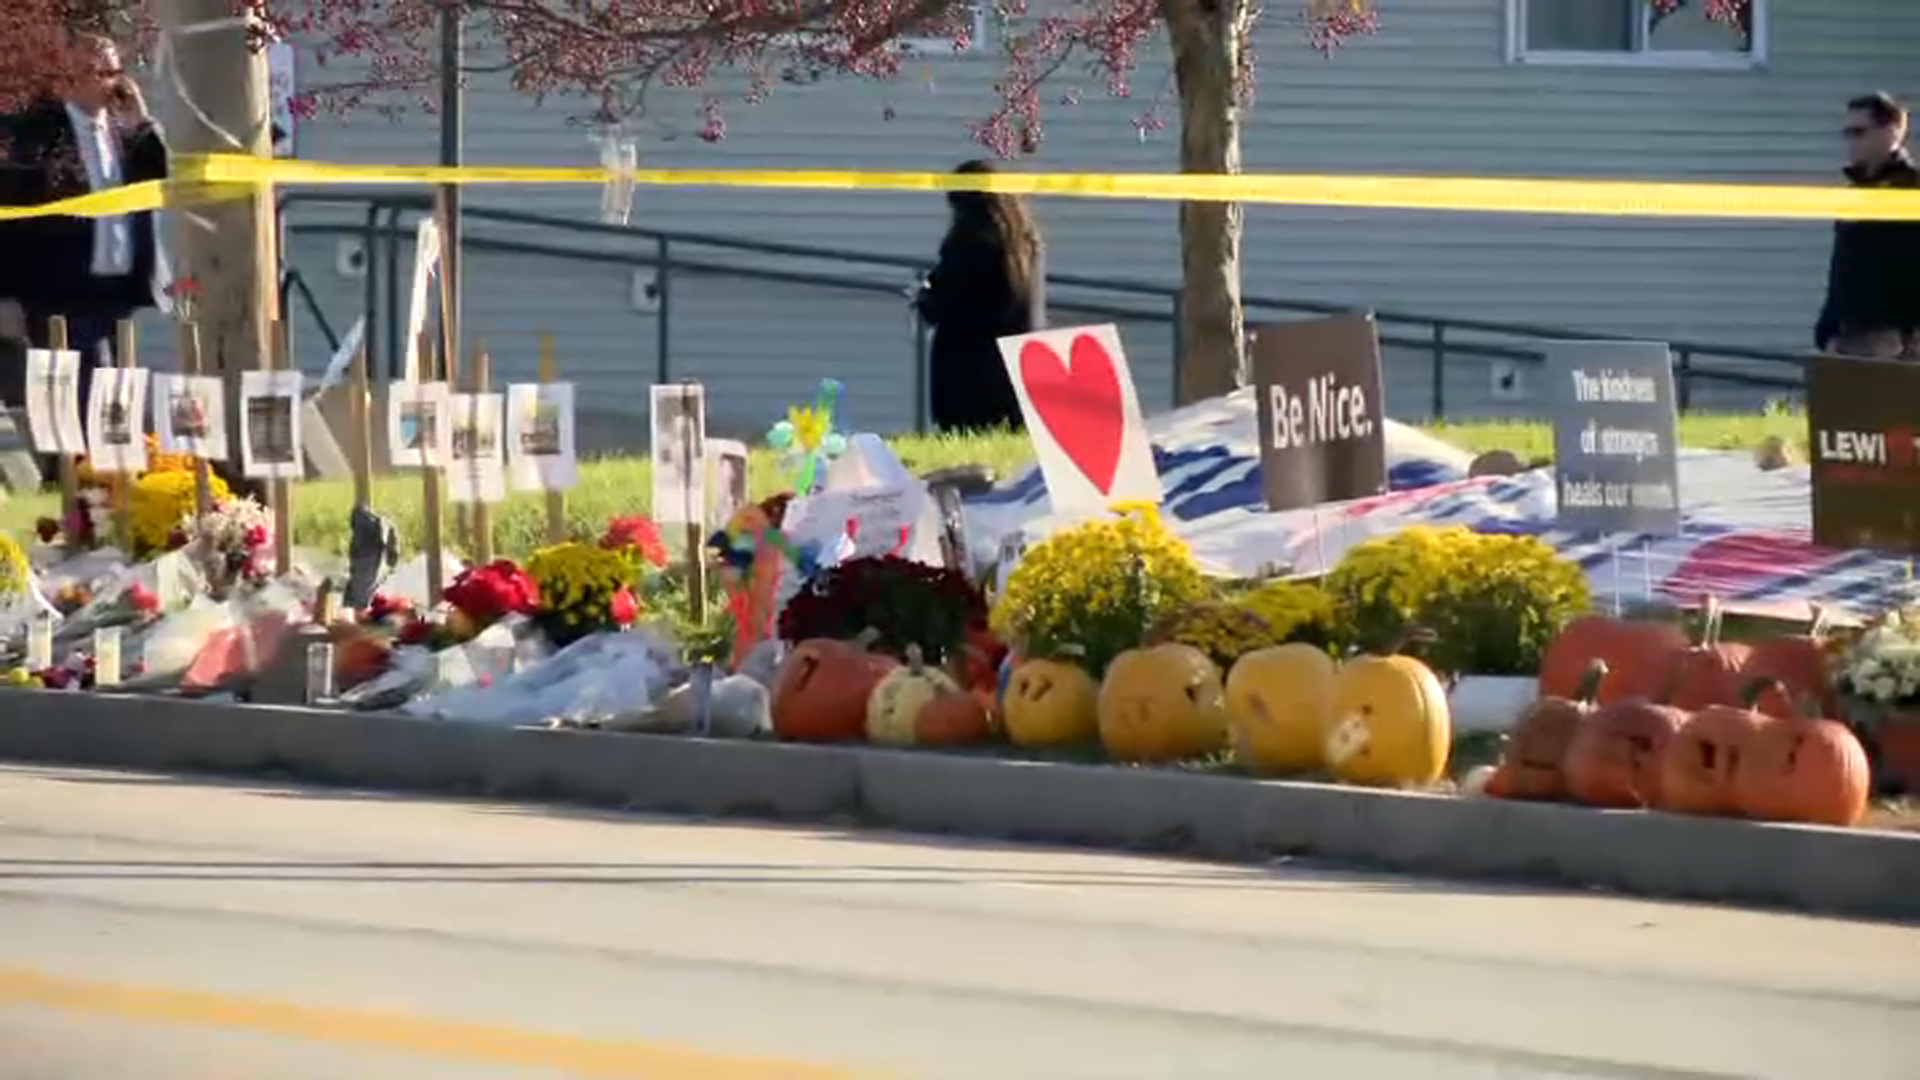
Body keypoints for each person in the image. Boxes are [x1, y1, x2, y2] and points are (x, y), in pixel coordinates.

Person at [0, 31, 170, 406]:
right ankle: (68, 464)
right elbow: (13, 209)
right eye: (100, 72)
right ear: (67, 80)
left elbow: (160, 178)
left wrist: (142, 120)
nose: (112, 83)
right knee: (73, 396)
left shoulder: (125, 132)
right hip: (61, 288)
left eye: (116, 72)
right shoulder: (37, 132)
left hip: (117, 287)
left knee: (113, 395)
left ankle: (102, 464)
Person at [916, 159, 1043, 431]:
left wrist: (926, 299)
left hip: (967, 366)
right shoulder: (1025, 242)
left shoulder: (967, 241)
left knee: (965, 434)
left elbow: (948, 303)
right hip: (1016, 364)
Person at [1814, 91, 1918, 361]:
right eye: (1847, 133)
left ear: (1892, 132)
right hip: (1849, 332)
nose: (1851, 142)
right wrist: (1828, 327)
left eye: (1859, 132)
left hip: (1895, 335)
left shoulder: (1912, 190)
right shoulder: (1854, 192)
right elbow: (1843, 264)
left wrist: (1909, 334)